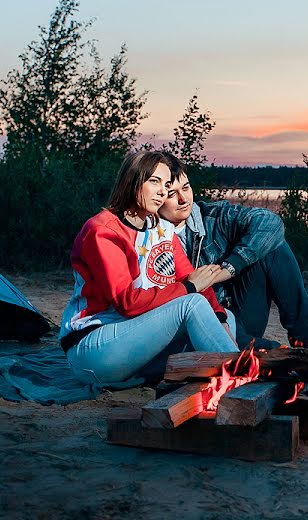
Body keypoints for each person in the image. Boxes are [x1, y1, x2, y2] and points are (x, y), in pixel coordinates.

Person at [158, 152, 308, 401]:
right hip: (201, 330)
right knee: (262, 358)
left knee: (272, 245)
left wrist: (228, 268)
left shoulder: (211, 216)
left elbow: (270, 223)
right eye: (171, 194)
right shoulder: (153, 239)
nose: (183, 199)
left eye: (186, 188)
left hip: (234, 314)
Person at [59, 151, 238, 385]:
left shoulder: (161, 228)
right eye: (154, 181)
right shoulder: (102, 231)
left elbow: (191, 278)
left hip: (135, 342)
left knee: (225, 317)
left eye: (166, 184)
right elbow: (127, 302)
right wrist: (189, 287)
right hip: (94, 346)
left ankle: (222, 369)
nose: (162, 192)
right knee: (191, 304)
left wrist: (219, 318)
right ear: (133, 181)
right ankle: (241, 375)